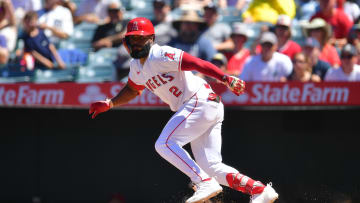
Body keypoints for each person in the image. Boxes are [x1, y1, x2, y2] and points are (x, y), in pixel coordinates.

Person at [89, 17, 279, 203]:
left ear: (152, 39)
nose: (136, 43)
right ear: (126, 41)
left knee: (164, 143)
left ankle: (203, 183)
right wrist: (111, 103)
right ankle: (259, 190)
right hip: (204, 106)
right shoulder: (135, 67)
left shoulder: (161, 53)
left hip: (198, 100)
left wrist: (225, 78)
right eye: (132, 39)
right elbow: (132, 89)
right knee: (212, 167)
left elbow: (197, 63)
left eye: (141, 38)